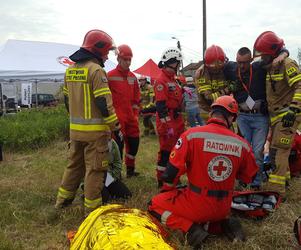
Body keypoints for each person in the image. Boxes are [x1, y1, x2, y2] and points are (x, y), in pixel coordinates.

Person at [148, 96, 258, 248]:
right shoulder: (242, 144)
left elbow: (171, 172)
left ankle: (190, 229)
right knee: (207, 210)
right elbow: (249, 176)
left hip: (197, 203)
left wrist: (167, 190)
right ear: (231, 117)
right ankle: (220, 224)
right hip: (224, 206)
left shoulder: (192, 135)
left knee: (154, 204)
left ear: (212, 113)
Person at [55, 29, 121, 214]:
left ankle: (62, 201)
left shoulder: (70, 71)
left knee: (74, 165)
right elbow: (103, 102)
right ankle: (92, 210)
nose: (107, 55)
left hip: (75, 131)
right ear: (98, 49)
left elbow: (67, 102)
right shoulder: (96, 70)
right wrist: (115, 125)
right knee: (95, 170)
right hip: (95, 134)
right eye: (107, 51)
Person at [253, 31, 301, 196]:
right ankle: (284, 180)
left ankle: (276, 190)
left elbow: (299, 86)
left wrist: (294, 110)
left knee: (278, 150)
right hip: (277, 117)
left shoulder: (287, 64)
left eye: (264, 55)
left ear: (273, 52)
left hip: (288, 115)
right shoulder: (272, 65)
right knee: (278, 150)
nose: (262, 58)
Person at [108, 44, 141, 178]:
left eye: (129, 60)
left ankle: (130, 170)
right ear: (118, 59)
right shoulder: (109, 76)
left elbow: (136, 99)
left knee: (134, 144)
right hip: (117, 119)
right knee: (118, 147)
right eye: (125, 59)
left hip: (131, 118)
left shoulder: (133, 78)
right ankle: (116, 175)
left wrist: (135, 115)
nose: (128, 62)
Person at [154, 47, 185, 187]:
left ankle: (173, 177)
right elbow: (161, 107)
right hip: (168, 121)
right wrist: (167, 126)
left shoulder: (174, 80)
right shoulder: (161, 81)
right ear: (172, 62)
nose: (178, 66)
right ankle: (162, 179)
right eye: (178, 63)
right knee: (166, 152)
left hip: (176, 119)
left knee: (176, 151)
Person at [80, 137, 132, 203]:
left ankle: (103, 190)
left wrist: (111, 178)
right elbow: (80, 167)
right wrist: (84, 182)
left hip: (107, 176)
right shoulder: (88, 143)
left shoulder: (112, 143)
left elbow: (118, 163)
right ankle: (88, 192)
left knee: (126, 195)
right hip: (91, 178)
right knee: (104, 199)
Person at [195, 45, 230, 112]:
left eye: (219, 67)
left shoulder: (222, 69)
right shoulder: (202, 74)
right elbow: (209, 98)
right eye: (214, 69)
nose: (217, 70)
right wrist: (227, 90)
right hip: (208, 110)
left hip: (221, 107)